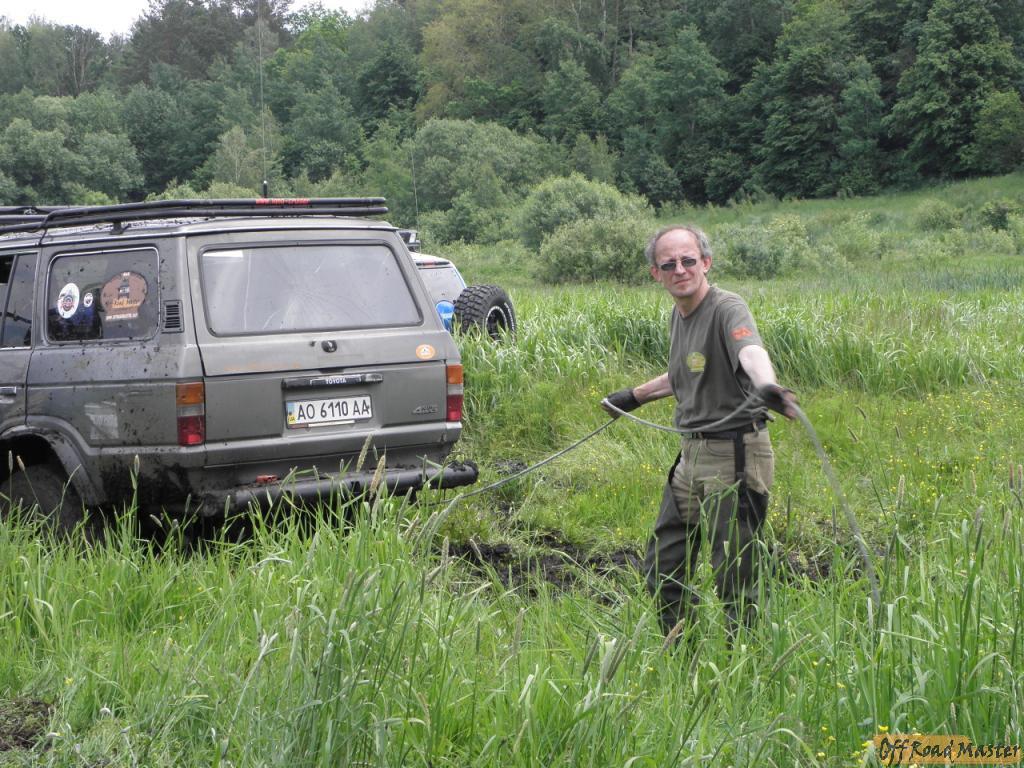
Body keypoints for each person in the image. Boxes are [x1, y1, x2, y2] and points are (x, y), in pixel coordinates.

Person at [602, 225, 797, 637]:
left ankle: (745, 663)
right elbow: (685, 373)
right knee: (664, 566)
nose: (680, 270)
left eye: (688, 260)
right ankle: (681, 658)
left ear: (705, 263)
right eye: (668, 264)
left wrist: (767, 385)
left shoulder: (727, 308)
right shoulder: (679, 314)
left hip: (735, 453)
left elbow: (750, 352)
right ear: (655, 273)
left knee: (735, 577)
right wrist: (634, 396)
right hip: (690, 457)